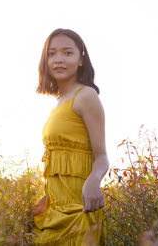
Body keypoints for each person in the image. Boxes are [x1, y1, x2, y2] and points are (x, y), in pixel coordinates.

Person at [32, 28, 109, 245]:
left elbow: (102, 156)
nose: (58, 59)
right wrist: (46, 196)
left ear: (81, 60)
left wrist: (94, 180)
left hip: (80, 209)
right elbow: (58, 163)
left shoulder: (86, 96)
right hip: (54, 211)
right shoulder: (58, 102)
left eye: (67, 53)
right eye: (52, 53)